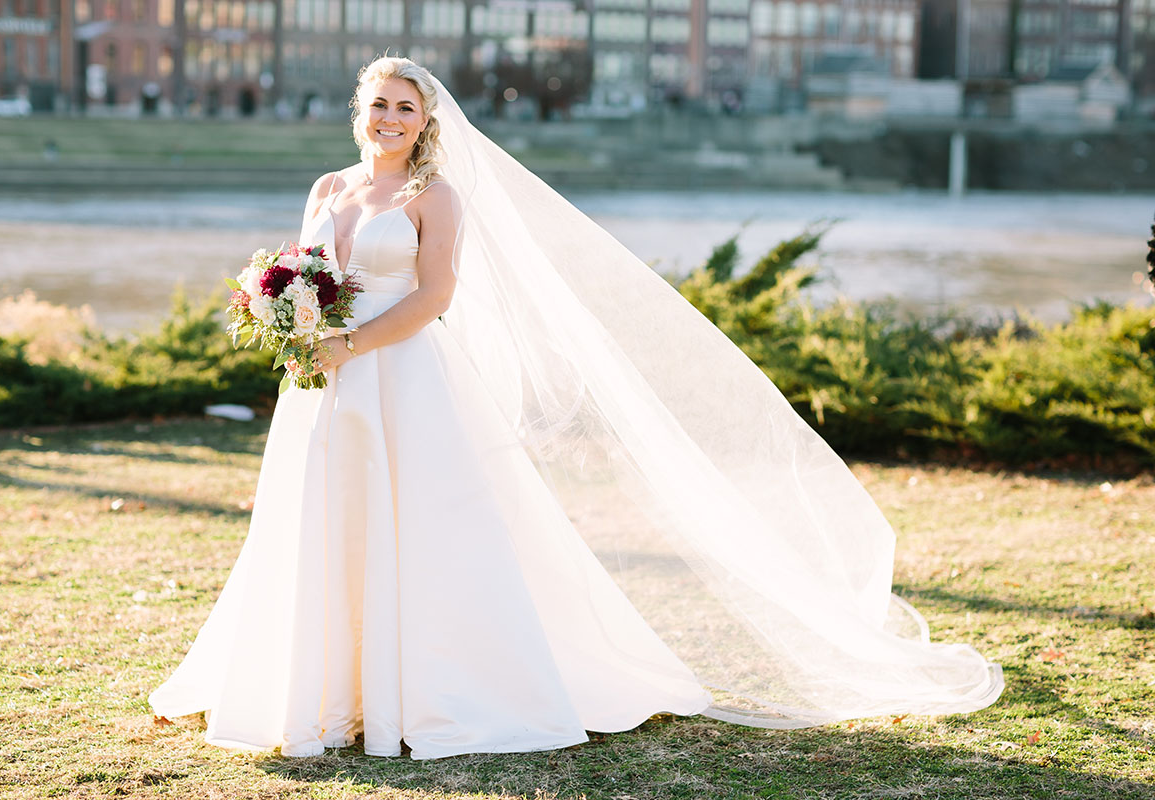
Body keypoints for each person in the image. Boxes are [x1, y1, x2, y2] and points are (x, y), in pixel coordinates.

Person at [149, 56, 1004, 760]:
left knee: (421, 533)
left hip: (401, 377)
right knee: (324, 527)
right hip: (322, 389)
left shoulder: (433, 198)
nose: (390, 119)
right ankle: (325, 694)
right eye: (378, 104)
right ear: (358, 110)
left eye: (405, 108)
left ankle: (421, 693)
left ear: (425, 121)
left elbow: (436, 296)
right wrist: (296, 328)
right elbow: (303, 275)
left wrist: (351, 346)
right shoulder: (328, 188)